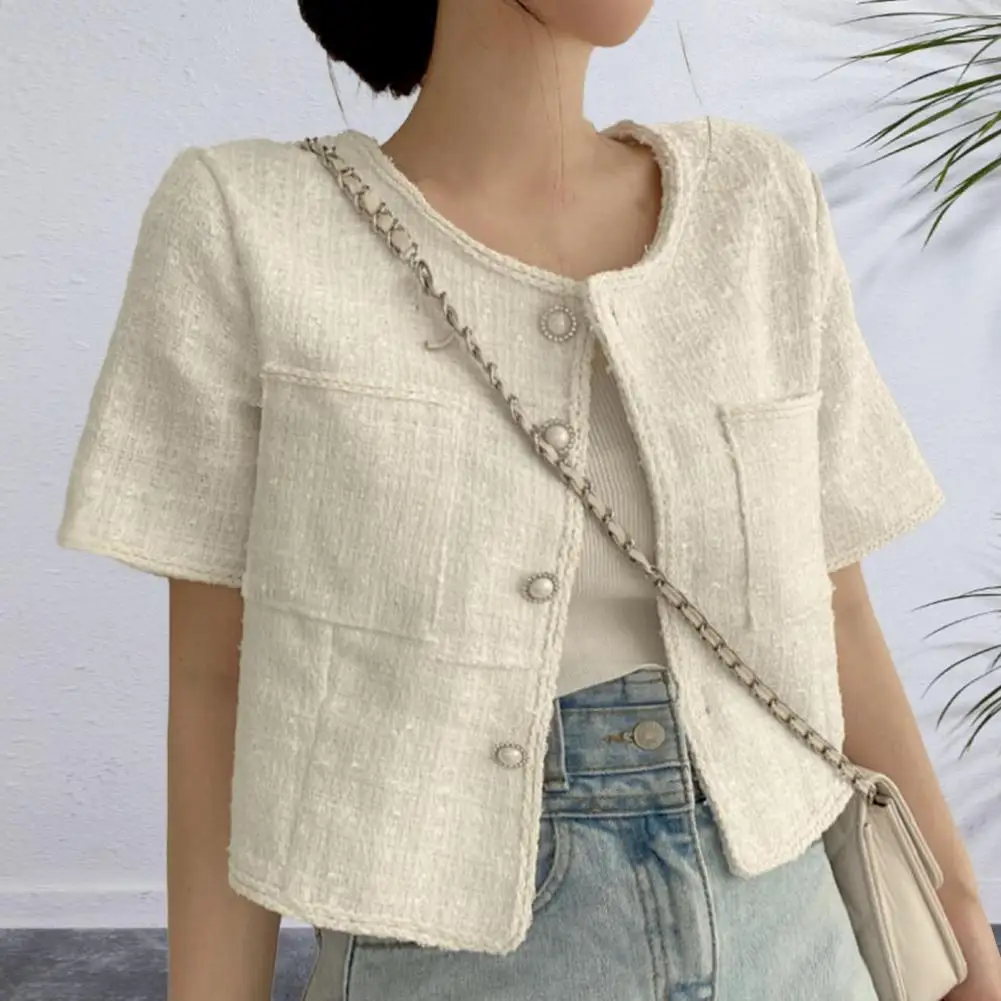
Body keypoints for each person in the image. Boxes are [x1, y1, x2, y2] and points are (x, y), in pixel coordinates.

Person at [57, 1, 1001, 999]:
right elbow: (217, 678)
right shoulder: (249, 224)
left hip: (795, 933)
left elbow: (835, 607)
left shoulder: (755, 202)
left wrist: (962, 940)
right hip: (445, 953)